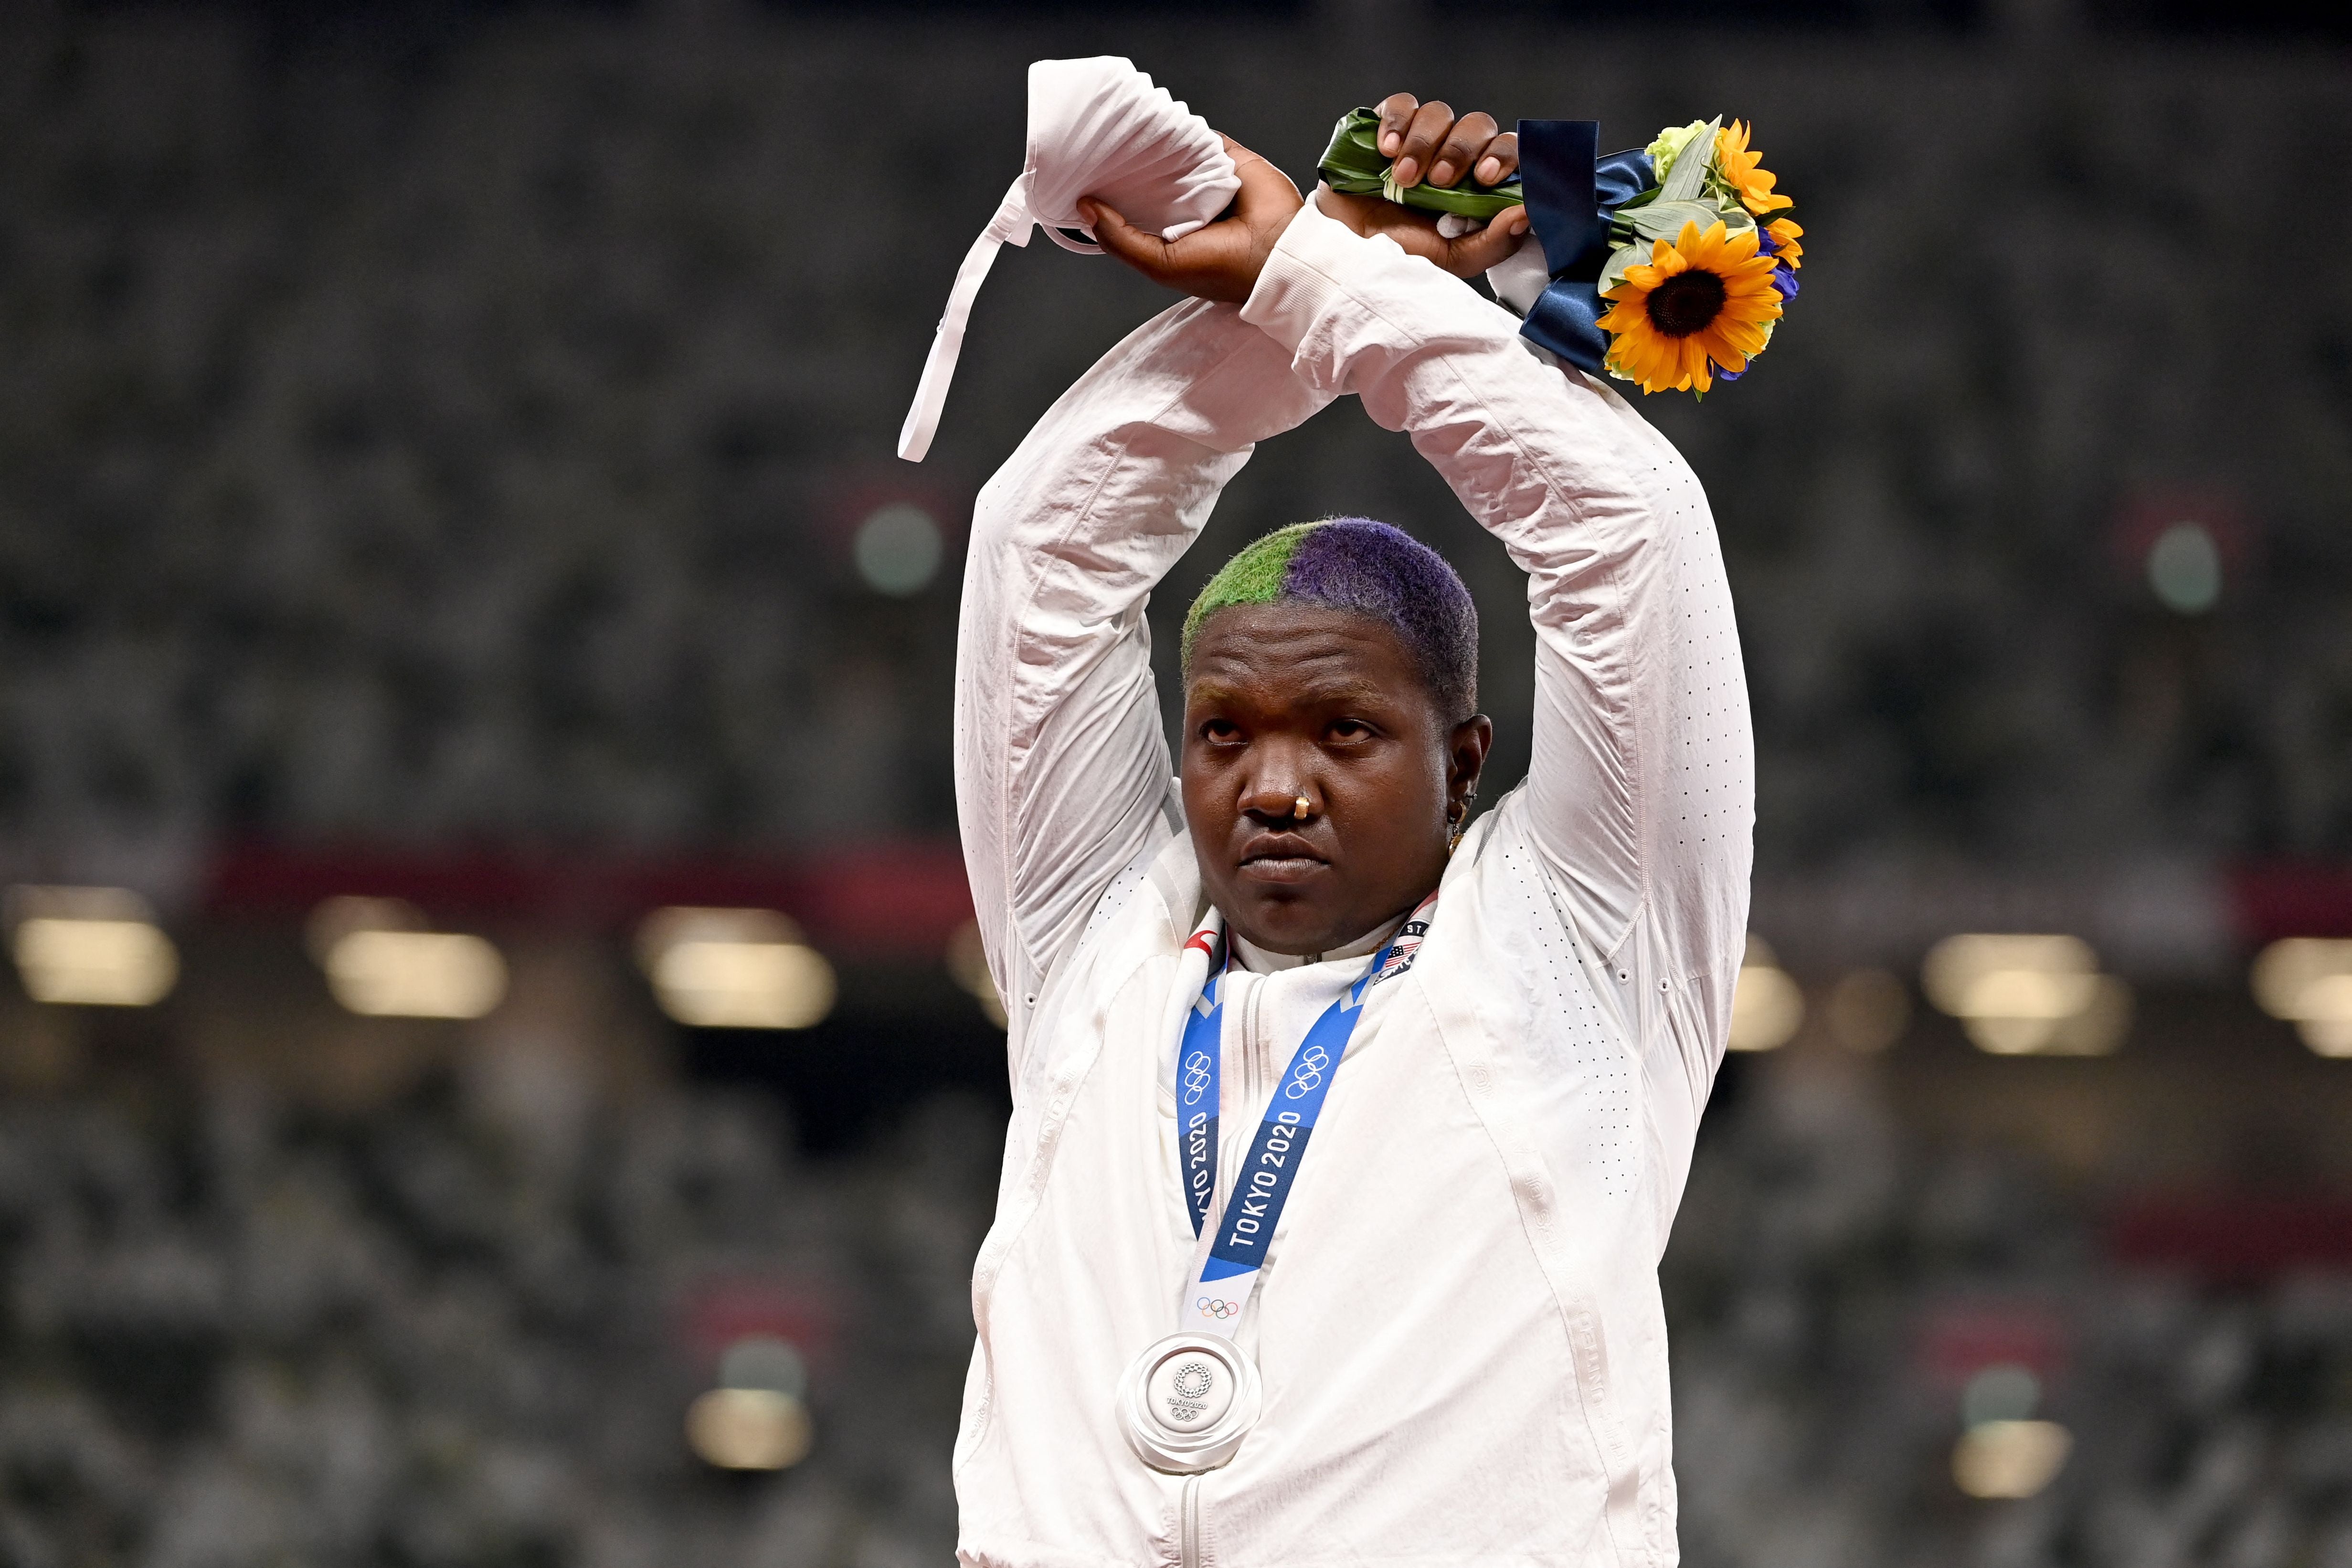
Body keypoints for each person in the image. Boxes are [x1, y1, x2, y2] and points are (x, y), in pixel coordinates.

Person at [951, 93, 1753, 1568]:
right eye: (1224, 734)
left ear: (1463, 765)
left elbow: (1625, 532)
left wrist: (1323, 287)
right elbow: (1044, 545)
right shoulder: (1092, 943)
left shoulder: (1579, 947)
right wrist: (1325, 272)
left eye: (1344, 733)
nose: (1272, 787)